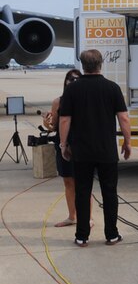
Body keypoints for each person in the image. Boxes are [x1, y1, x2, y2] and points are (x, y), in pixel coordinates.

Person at [59, 49, 132, 247]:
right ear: (101, 64)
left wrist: (63, 144)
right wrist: (127, 142)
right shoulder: (112, 88)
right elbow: (123, 118)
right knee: (110, 192)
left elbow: (64, 119)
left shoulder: (72, 90)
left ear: (82, 65)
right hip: (106, 150)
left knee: (82, 193)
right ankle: (111, 234)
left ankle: (82, 236)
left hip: (81, 151)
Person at [42, 68, 95, 228]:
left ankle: (88, 217)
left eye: (77, 79)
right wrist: (47, 123)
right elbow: (54, 126)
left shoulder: (87, 99)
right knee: (68, 182)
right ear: (65, 82)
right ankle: (72, 216)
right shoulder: (58, 101)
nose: (73, 82)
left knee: (84, 183)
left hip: (83, 145)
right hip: (63, 144)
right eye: (70, 79)